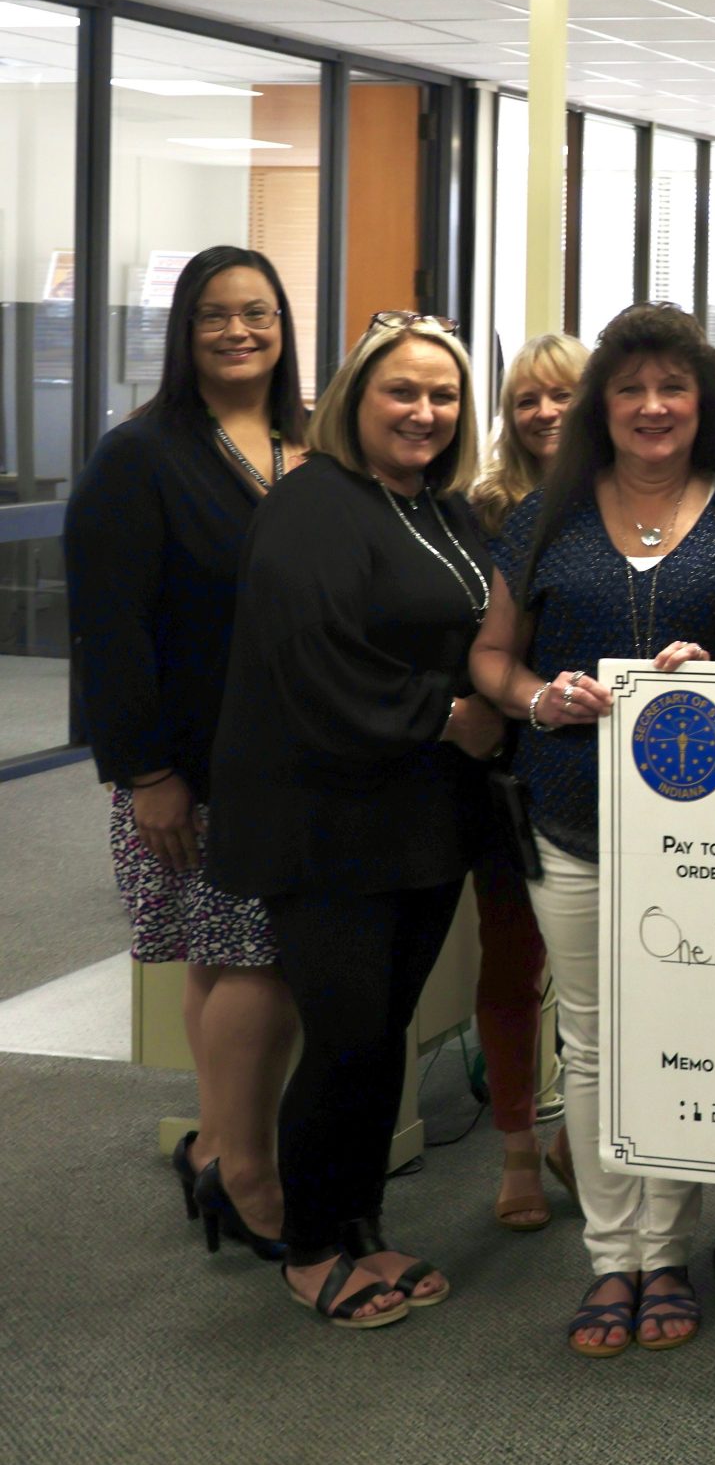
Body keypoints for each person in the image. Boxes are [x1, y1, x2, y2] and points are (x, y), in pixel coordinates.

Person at [468, 303, 715, 1357]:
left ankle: (669, 1251)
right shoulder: (544, 518)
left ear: (705, 403)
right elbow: (491, 658)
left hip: (708, 838)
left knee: (681, 1034)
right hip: (571, 819)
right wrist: (536, 699)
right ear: (601, 407)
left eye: (673, 388)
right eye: (631, 390)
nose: (653, 407)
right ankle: (612, 1257)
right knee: (594, 1039)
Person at [209, 311, 503, 1329]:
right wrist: (448, 716)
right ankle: (311, 1246)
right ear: (356, 398)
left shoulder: (445, 508)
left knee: (382, 1039)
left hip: (423, 819)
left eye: (444, 394)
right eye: (402, 391)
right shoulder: (313, 502)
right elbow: (313, 656)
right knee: (342, 1038)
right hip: (326, 821)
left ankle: (361, 1223)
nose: (424, 411)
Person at [64, 245, 308, 1261]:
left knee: (235, 957)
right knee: (245, 957)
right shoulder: (141, 454)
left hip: (294, 757)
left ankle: (217, 1145)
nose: (239, 330)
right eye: (215, 314)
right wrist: (147, 773)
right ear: (184, 330)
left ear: (284, 327)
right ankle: (245, 1172)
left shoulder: (307, 441)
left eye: (258, 312)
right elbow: (109, 628)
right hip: (193, 768)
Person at [463, 331, 589, 1233]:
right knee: (514, 962)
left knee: (608, 976)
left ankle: (577, 1141)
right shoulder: (483, 511)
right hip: (504, 771)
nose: (545, 413)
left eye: (562, 395)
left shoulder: (625, 499)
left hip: (604, 770)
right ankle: (517, 1149)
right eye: (527, 400)